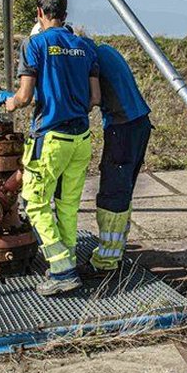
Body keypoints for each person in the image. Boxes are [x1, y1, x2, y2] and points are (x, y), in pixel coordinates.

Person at [0, 0, 100, 296]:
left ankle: (62, 269)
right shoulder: (86, 47)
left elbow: (24, 97)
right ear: (65, 14)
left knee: (35, 202)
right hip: (80, 139)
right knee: (67, 205)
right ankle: (66, 261)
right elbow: (94, 98)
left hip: (50, 139)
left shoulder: (35, 44)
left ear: (39, 13)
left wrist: (7, 101)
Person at [75, 35, 151, 276]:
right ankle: (116, 250)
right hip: (139, 125)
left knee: (112, 193)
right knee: (123, 191)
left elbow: (90, 98)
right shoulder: (106, 50)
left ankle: (106, 261)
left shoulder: (89, 58)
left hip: (122, 128)